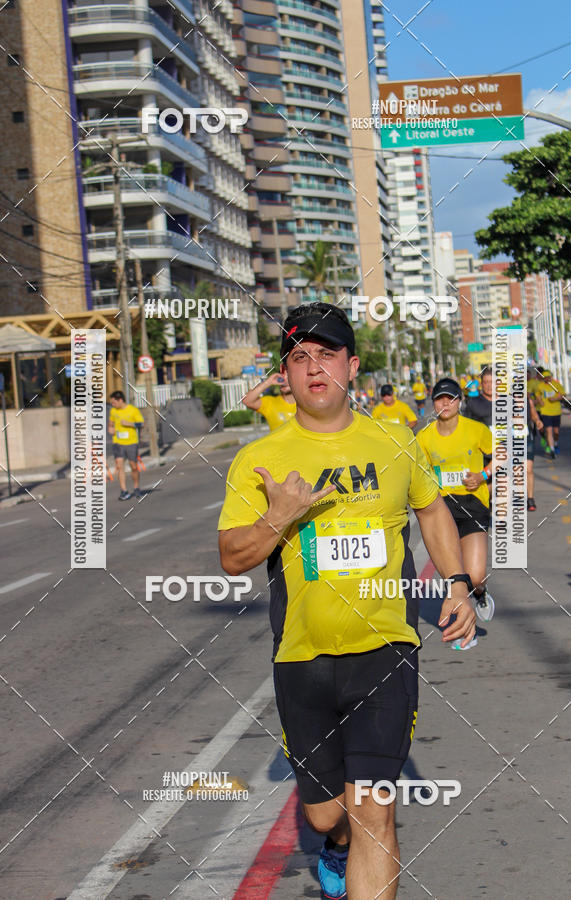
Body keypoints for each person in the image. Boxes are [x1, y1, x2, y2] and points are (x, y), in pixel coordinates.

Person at [218, 302, 475, 900]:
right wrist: (278, 518)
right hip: (302, 659)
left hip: (385, 651)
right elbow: (232, 557)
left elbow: (432, 508)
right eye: (299, 356)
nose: (313, 367)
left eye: (326, 353)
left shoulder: (394, 442)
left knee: (373, 812)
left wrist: (459, 581)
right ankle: (334, 844)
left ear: (352, 366)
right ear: (284, 374)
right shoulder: (259, 460)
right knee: (327, 816)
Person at [416, 377, 495, 646]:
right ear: (433, 403)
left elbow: (502, 454)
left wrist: (483, 475)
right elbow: (419, 474)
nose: (445, 403)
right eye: (440, 399)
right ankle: (464, 632)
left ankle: (481, 593)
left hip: (473, 505)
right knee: (455, 578)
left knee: (475, 576)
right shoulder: (424, 438)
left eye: (450, 398)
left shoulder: (475, 430)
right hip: (442, 510)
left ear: (459, 402)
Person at [108, 390, 144, 500]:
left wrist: (129, 424)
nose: (112, 405)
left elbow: (141, 424)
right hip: (118, 443)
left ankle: (136, 487)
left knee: (133, 466)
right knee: (119, 466)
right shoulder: (113, 411)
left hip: (131, 442)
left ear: (120, 400)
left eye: (114, 402)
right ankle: (124, 491)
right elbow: (111, 423)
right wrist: (110, 428)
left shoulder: (133, 410)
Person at [536, 369, 566, 457]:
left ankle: (556, 444)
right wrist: (540, 401)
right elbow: (537, 394)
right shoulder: (540, 386)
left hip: (556, 412)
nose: (547, 379)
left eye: (549, 377)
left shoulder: (557, 385)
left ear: (551, 377)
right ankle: (552, 450)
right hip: (545, 412)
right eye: (545, 378)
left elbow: (563, 395)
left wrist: (555, 399)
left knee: (556, 432)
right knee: (549, 431)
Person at [526, 391, 545, 512]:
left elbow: (533, 415)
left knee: (529, 470)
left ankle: (530, 499)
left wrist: (537, 421)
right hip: (509, 441)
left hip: (526, 438)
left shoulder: (528, 401)